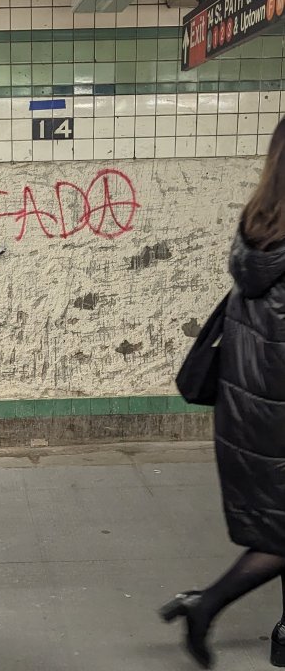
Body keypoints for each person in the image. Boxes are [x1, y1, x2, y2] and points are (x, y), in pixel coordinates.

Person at [160, 117, 285, 669]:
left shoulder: (258, 227)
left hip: (250, 413)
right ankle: (205, 604)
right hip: (274, 415)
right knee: (280, 537)